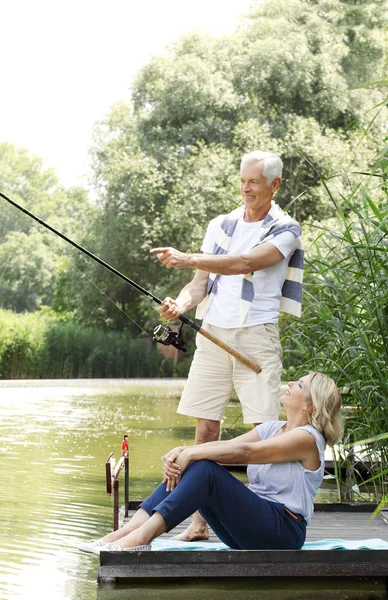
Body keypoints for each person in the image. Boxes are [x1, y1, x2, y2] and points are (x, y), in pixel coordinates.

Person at [148, 150, 304, 541]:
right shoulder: (221, 224)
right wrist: (180, 304)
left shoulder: (286, 228)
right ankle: (201, 521)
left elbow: (244, 263)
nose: (245, 188)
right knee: (206, 428)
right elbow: (200, 283)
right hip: (213, 333)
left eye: (253, 181)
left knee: (265, 430)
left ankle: (267, 514)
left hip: (257, 335)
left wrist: (185, 258)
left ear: (275, 184)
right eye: (242, 180)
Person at [78, 372, 342, 554]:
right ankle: (125, 533)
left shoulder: (308, 439)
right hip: (248, 531)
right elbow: (227, 445)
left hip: (283, 531)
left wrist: (193, 454)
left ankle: (141, 538)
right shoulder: (274, 427)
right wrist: (183, 451)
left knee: (203, 466)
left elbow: (247, 453)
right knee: (197, 463)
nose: (292, 384)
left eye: (300, 385)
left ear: (311, 406)